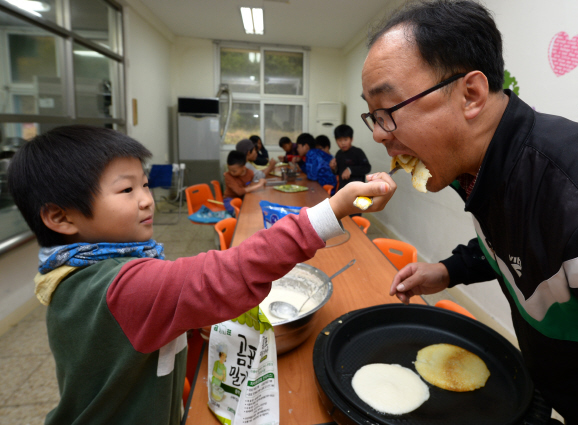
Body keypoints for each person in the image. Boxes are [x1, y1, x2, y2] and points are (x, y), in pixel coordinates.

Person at [361, 1, 578, 424]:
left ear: (470, 94)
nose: (380, 135)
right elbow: (520, 240)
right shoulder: (480, 169)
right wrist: (450, 270)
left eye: (389, 111)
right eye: (373, 115)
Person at [6, 124, 396, 425]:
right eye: (126, 190)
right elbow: (228, 273)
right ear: (60, 216)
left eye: (144, 184)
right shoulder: (119, 287)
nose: (146, 199)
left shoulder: (74, 269)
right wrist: (332, 210)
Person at [329, 124, 371, 192]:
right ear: (336, 141)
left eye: (345, 140)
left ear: (351, 139)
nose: (343, 143)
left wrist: (350, 170)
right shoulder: (338, 154)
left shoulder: (358, 152)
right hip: (342, 189)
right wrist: (333, 168)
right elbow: (338, 172)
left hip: (357, 189)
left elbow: (367, 168)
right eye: (339, 140)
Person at [222, 150, 265, 215]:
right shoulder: (228, 176)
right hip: (230, 199)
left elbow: (250, 185)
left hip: (244, 198)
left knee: (256, 207)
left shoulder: (250, 173)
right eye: (229, 169)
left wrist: (258, 183)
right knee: (238, 212)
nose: (231, 172)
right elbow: (239, 192)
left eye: (234, 171)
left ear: (243, 167)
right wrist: (259, 185)